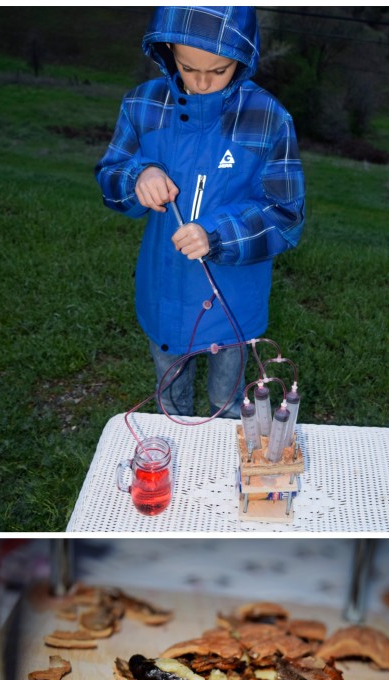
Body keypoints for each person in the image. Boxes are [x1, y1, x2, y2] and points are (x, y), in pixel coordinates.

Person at [95, 6, 305, 418]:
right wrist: (138, 175)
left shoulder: (268, 119)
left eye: (220, 70)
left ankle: (224, 452)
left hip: (233, 297)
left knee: (228, 403)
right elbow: (110, 176)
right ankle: (177, 440)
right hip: (163, 293)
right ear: (167, 48)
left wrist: (218, 234)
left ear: (243, 59)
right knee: (170, 399)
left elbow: (286, 215)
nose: (203, 83)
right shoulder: (142, 104)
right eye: (189, 68)